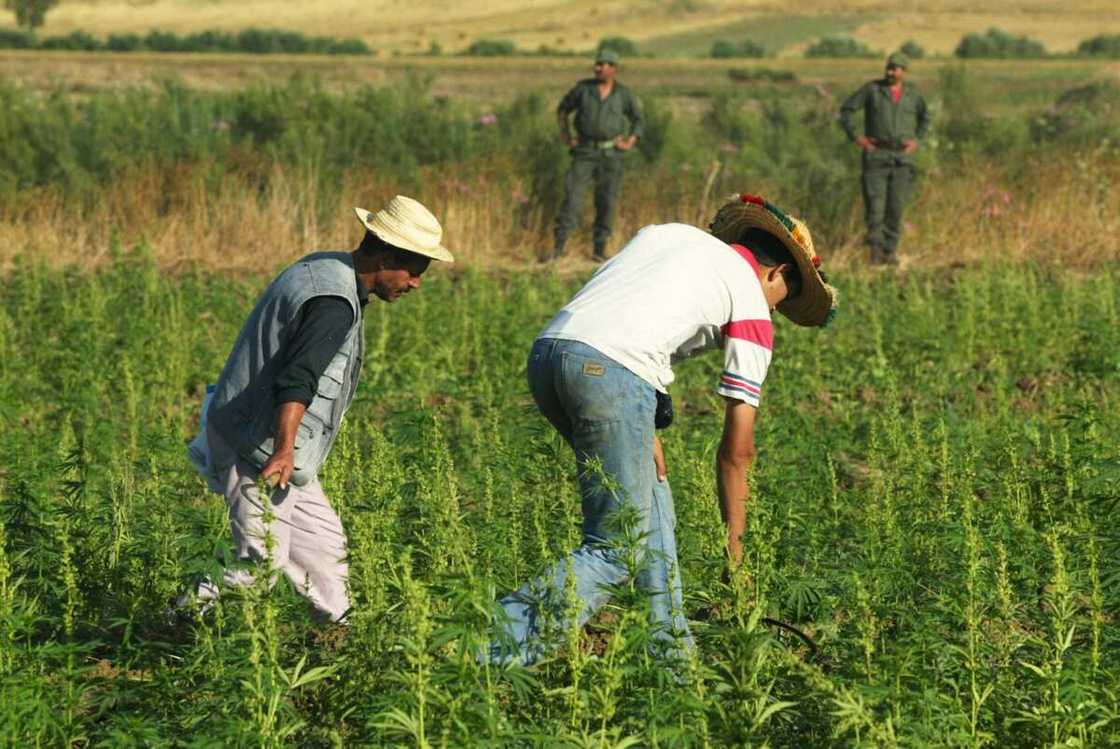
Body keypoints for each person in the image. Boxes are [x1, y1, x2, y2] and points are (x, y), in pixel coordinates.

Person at [488, 194, 837, 665]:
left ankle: (673, 664)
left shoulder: (669, 236)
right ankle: (480, 655)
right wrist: (736, 555)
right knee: (615, 548)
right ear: (777, 274)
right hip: (611, 374)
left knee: (653, 513)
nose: (776, 312)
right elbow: (738, 452)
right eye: (784, 300)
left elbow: (625, 314)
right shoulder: (752, 302)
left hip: (551, 355)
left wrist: (643, 420)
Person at [182, 195, 453, 623]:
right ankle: (176, 625)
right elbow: (298, 378)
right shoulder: (333, 302)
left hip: (276, 445)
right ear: (385, 258)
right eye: (415, 271)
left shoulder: (327, 267)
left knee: (325, 549)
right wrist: (284, 449)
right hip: (262, 446)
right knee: (259, 563)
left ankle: (342, 639)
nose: (416, 283)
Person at [553, 47, 644, 261]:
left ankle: (599, 251)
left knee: (607, 201)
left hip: (611, 154)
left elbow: (638, 120)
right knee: (572, 199)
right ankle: (558, 250)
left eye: (603, 65)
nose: (598, 68)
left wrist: (631, 140)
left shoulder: (623, 94)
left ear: (614, 69)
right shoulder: (583, 89)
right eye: (597, 64)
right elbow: (562, 110)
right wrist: (566, 136)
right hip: (584, 152)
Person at [839, 51, 930, 266]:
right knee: (875, 208)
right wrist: (857, 138)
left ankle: (890, 253)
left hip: (902, 159)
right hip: (876, 156)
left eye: (895, 68)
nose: (890, 72)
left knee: (896, 208)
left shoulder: (913, 95)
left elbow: (925, 118)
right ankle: (875, 256)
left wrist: (917, 140)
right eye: (889, 67)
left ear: (904, 72)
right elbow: (847, 110)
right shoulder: (872, 90)